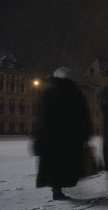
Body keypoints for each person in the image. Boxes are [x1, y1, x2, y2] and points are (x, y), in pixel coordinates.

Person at [33, 67, 91, 200]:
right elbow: (82, 117)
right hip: (70, 136)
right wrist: (85, 134)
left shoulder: (49, 92)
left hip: (51, 135)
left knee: (54, 163)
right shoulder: (75, 94)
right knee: (66, 163)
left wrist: (40, 134)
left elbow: (42, 116)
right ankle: (60, 187)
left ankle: (56, 189)